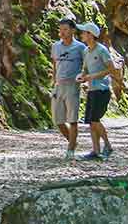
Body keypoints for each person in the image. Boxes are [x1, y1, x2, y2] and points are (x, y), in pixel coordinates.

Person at [75, 22, 114, 160]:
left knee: (95, 120)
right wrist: (82, 76)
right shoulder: (86, 51)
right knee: (91, 122)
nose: (81, 35)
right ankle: (96, 151)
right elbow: (85, 69)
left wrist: (93, 76)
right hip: (92, 89)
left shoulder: (102, 50)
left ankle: (108, 146)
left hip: (102, 90)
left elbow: (111, 68)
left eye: (84, 32)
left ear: (90, 35)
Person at [50, 18, 86, 161]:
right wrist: (53, 81)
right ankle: (73, 141)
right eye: (60, 30)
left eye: (65, 29)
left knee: (72, 119)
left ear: (72, 30)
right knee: (58, 120)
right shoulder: (56, 46)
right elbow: (54, 64)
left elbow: (86, 64)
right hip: (58, 85)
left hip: (72, 86)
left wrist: (83, 77)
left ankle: (70, 150)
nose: (62, 32)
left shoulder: (80, 47)